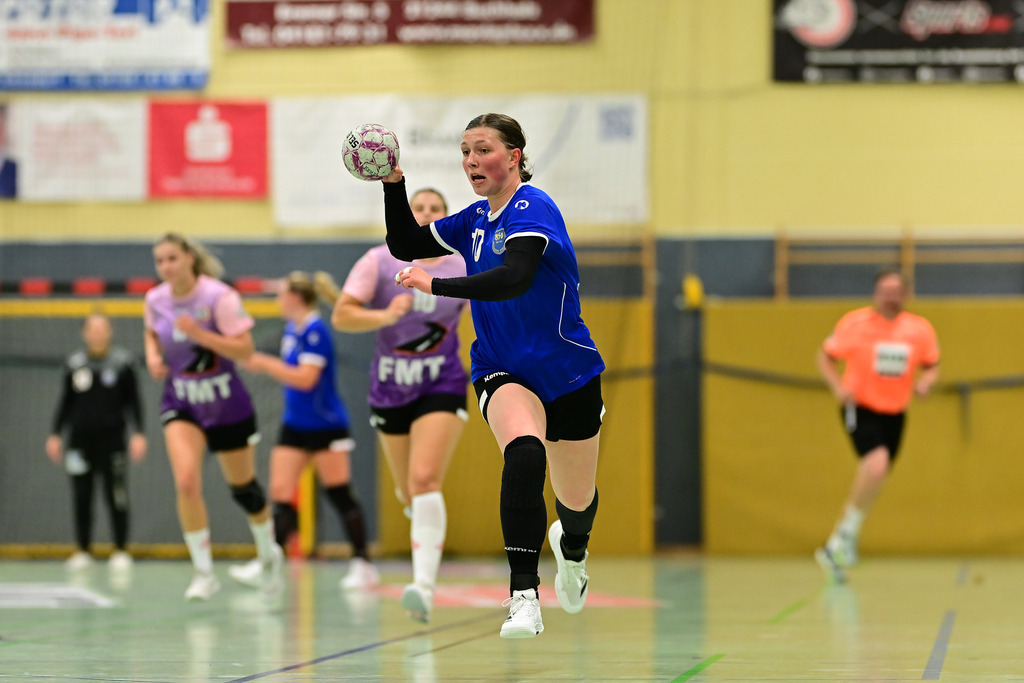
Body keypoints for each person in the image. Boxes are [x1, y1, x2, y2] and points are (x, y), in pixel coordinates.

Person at [381, 114, 606, 639]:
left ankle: (572, 552)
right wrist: (394, 182)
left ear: (515, 156)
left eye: (482, 150)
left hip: (568, 372)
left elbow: (515, 277)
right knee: (524, 454)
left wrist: (437, 286)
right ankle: (523, 597)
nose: (471, 161)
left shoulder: (533, 206)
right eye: (464, 151)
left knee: (575, 507)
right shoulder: (475, 217)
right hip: (502, 367)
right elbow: (404, 242)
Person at [321, 187, 469, 623]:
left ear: (445, 218)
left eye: (435, 209)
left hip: (441, 383)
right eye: (417, 208)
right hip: (389, 388)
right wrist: (384, 316)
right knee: (408, 490)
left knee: (425, 479)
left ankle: (423, 585)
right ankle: (422, 540)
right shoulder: (380, 260)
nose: (425, 214)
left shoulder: (462, 261)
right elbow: (342, 315)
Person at [143, 233, 283, 601]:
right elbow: (151, 333)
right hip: (183, 401)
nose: (166, 267)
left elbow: (246, 349)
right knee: (186, 481)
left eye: (172, 258)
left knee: (245, 491)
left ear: (190, 258)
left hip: (225, 402)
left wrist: (202, 335)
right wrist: (154, 356)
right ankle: (204, 573)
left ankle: (269, 556)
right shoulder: (155, 299)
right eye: (160, 261)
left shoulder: (218, 297)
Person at [228, 271, 378, 591]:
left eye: (281, 295)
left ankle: (363, 562)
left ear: (296, 297)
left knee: (338, 493)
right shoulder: (291, 331)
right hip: (295, 423)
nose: (278, 301)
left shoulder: (316, 330)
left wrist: (262, 363)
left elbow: (306, 379)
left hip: (326, 424)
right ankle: (271, 562)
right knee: (281, 493)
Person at [814, 270, 940, 583]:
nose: (890, 296)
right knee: (876, 465)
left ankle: (839, 541)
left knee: (875, 477)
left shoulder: (919, 329)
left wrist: (926, 382)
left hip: (895, 413)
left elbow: (933, 364)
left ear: (906, 294)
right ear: (875, 293)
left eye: (896, 291)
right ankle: (846, 536)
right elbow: (825, 356)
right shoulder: (854, 324)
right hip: (860, 407)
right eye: (884, 290)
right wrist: (838, 390)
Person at [46, 313, 146, 573]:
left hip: (113, 441)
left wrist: (138, 433)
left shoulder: (123, 364)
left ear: (110, 332)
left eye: (102, 328)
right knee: (81, 495)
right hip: (79, 442)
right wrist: (56, 434)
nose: (98, 333)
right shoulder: (75, 364)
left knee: (116, 495)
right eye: (93, 329)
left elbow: (134, 402)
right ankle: (83, 550)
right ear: (85, 333)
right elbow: (65, 403)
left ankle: (121, 550)